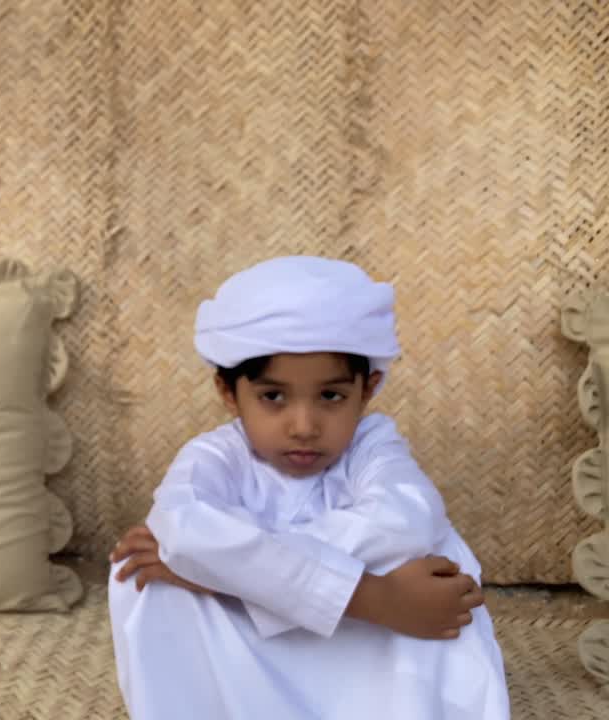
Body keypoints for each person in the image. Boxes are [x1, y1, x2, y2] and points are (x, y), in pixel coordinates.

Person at [107, 256, 510, 719]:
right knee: (145, 573)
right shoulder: (215, 457)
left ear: (368, 388)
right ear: (227, 391)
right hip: (245, 658)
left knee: (431, 556)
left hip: (370, 656)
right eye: (273, 397)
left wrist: (226, 570)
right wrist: (376, 599)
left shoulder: (372, 448)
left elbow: (406, 519)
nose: (304, 426)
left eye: (331, 397)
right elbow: (183, 524)